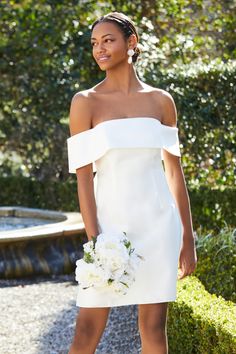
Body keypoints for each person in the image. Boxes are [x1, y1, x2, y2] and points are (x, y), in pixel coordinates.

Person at [67, 11, 197, 354]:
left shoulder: (161, 102)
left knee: (154, 327)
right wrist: (96, 241)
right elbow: (84, 180)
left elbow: (174, 173)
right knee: (86, 329)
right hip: (111, 230)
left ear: (132, 43)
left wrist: (188, 238)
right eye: (95, 43)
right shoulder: (85, 103)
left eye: (108, 40)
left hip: (158, 225)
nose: (100, 49)